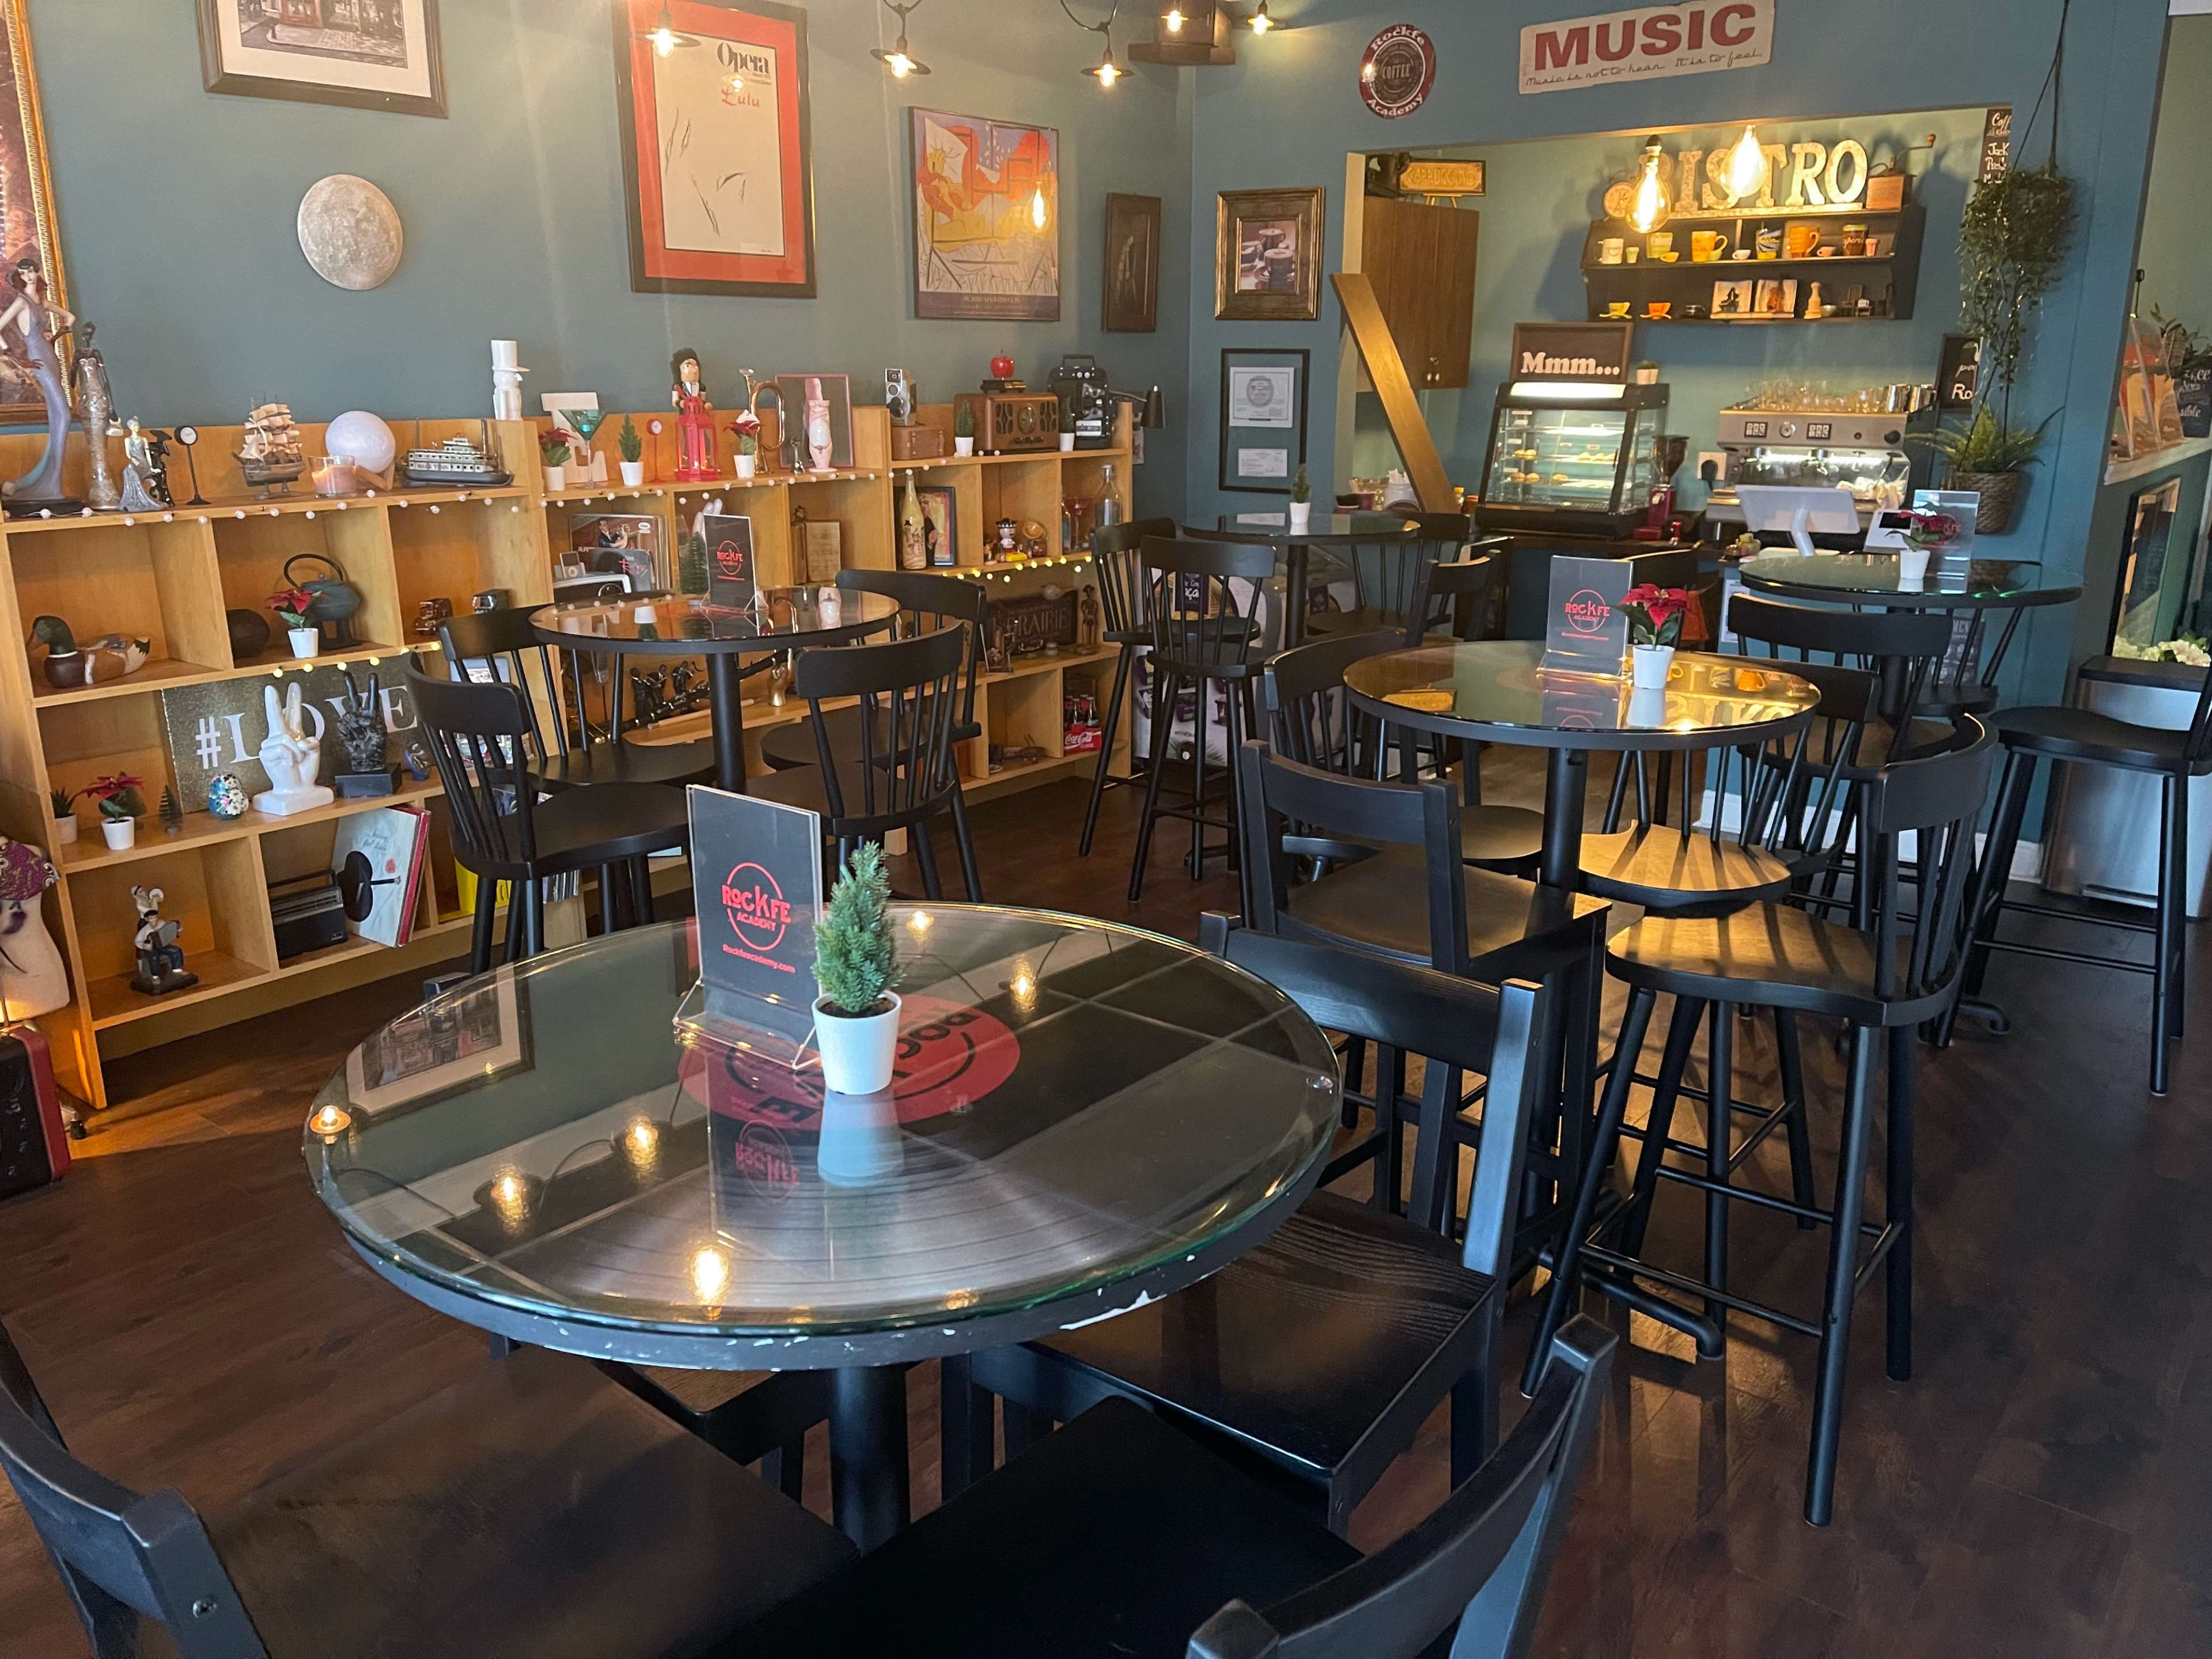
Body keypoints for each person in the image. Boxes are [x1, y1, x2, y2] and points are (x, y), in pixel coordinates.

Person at [672, 348, 715, 480]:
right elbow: (674, 401)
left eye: (696, 365)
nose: (694, 370)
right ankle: (688, 462)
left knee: (704, 439)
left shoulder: (701, 387)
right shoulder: (678, 388)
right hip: (687, 418)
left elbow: (703, 401)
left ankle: (706, 461)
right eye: (688, 365)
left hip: (700, 418)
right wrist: (682, 404)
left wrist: (706, 405)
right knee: (688, 440)